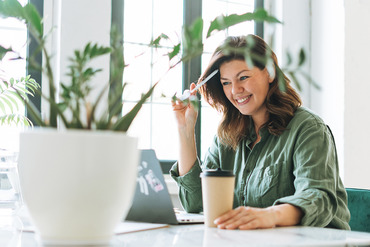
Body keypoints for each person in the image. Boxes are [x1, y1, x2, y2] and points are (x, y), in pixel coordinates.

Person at [170, 34, 350, 230]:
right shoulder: (226, 136)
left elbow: (318, 199)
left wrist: (270, 216)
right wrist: (185, 131)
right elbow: (195, 204)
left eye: (243, 77)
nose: (235, 90)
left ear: (270, 73)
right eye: (226, 82)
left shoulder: (308, 128)